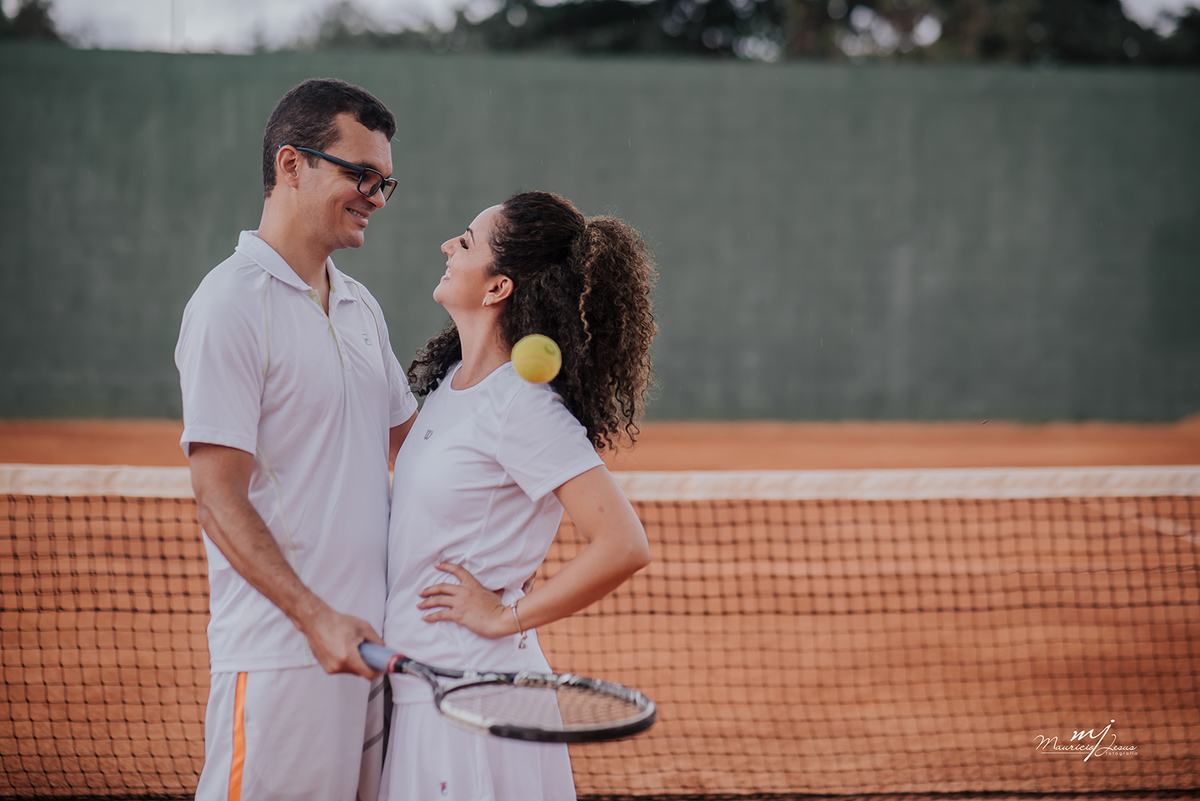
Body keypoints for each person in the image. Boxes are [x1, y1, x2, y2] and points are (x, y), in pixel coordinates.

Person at [174, 78, 418, 801]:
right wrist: (316, 620)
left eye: (384, 181)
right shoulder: (228, 305)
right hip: (285, 655)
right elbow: (217, 498)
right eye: (361, 175)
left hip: (373, 651)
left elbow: (416, 450)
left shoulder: (361, 305)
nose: (377, 196)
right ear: (292, 164)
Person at [379, 191, 656, 800]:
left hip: (473, 694)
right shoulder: (451, 385)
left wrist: (505, 617)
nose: (448, 247)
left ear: (498, 287)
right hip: (425, 683)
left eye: (465, 242)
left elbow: (623, 543)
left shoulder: (521, 405)